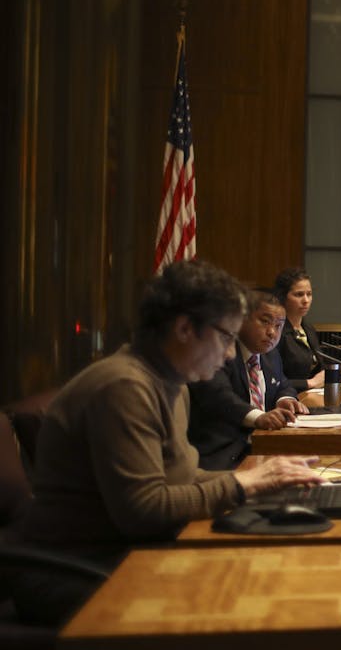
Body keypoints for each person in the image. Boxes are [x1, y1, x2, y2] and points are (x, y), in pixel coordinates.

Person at [6, 260, 320, 625]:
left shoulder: (168, 382)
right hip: (83, 567)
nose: (232, 354)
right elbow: (143, 509)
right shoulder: (125, 387)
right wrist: (242, 484)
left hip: (126, 551)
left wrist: (263, 480)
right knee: (250, 597)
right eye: (224, 337)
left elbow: (180, 477)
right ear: (185, 328)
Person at [188, 289, 308, 470]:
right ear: (241, 319)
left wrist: (286, 399)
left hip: (263, 447)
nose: (272, 333)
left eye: (278, 325)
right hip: (223, 455)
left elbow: (283, 384)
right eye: (265, 322)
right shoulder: (221, 350)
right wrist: (260, 417)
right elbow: (218, 396)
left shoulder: (270, 354)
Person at [274, 266, 324, 392]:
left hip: (312, 396)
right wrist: (309, 383)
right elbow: (273, 379)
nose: (306, 300)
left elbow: (319, 367)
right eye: (299, 294)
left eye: (309, 294)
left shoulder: (308, 328)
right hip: (286, 398)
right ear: (283, 296)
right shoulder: (276, 331)